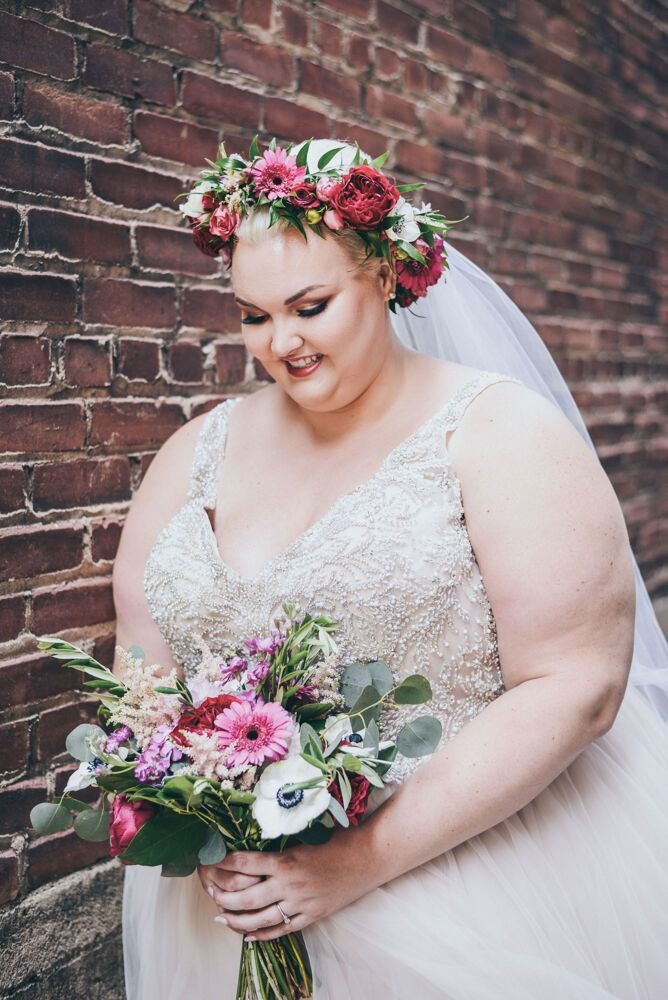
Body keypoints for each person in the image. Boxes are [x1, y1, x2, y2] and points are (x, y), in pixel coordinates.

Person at [114, 137, 668, 999]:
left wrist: (349, 865)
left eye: (310, 305)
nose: (281, 343)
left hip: (478, 872)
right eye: (255, 317)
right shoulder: (197, 452)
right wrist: (185, 811)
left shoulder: (499, 434)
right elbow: (141, 656)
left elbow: (578, 684)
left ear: (381, 272)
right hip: (233, 902)